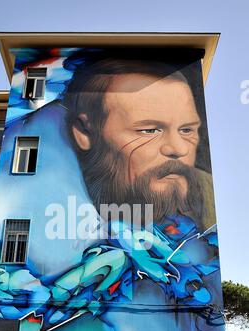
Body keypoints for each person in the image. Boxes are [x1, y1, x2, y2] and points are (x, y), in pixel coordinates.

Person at [63, 56, 216, 231]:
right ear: (84, 134)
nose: (179, 149)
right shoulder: (54, 212)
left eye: (186, 130)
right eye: (149, 130)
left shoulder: (212, 199)